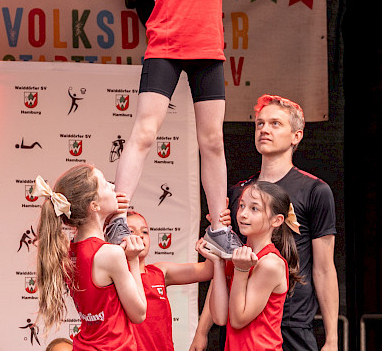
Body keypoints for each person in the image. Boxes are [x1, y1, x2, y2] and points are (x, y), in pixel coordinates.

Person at [99, 0, 285, 255]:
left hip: (207, 52)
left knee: (212, 141)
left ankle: (219, 228)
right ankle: (116, 217)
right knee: (145, 132)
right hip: (165, 48)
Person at [197, 95, 339, 351]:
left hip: (292, 322)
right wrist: (202, 329)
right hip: (240, 318)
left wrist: (332, 339)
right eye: (260, 123)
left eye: (275, 124)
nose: (264, 129)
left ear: (296, 136)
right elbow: (227, 264)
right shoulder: (238, 194)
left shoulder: (315, 190)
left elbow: (324, 268)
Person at [33, 164, 147, 350]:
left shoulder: (69, 253)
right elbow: (139, 313)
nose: (112, 186)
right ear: (94, 205)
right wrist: (134, 260)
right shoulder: (110, 254)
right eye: (105, 184)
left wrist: (110, 214)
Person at [207, 181, 299, 350]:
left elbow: (238, 319)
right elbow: (220, 318)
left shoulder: (270, 263)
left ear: (277, 220)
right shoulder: (240, 255)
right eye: (241, 206)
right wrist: (218, 262)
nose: (243, 214)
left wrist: (241, 269)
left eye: (254, 208)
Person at [126, 210, 217, 351]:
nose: (139, 236)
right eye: (131, 231)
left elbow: (208, 270)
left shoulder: (160, 271)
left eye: (145, 232)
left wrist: (215, 230)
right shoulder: (113, 277)